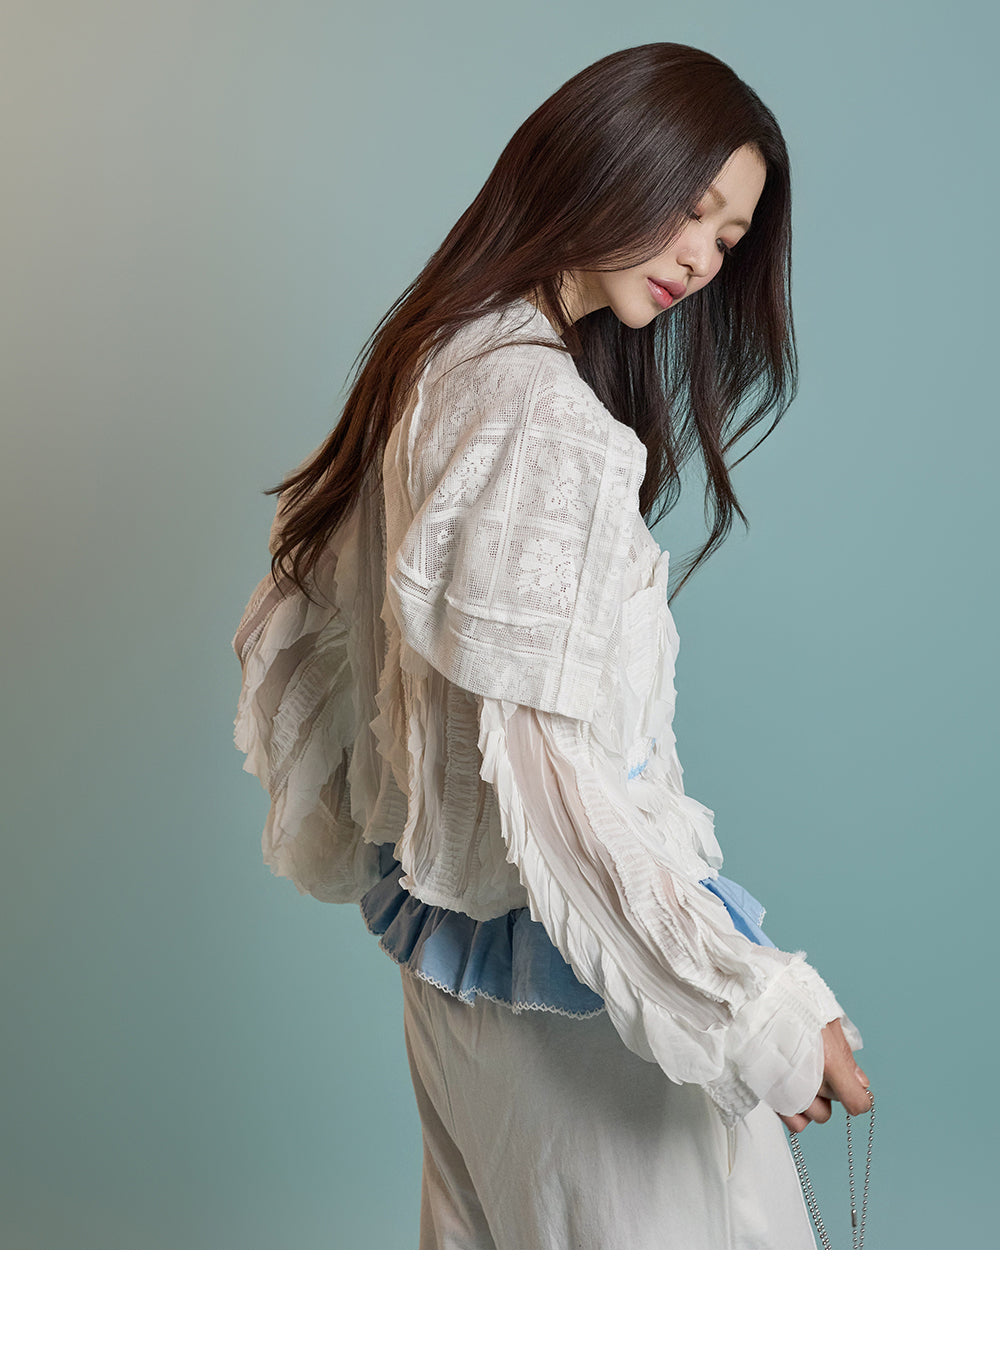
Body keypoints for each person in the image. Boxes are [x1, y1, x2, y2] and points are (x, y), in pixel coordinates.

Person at [231, 41, 873, 1249]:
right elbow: (555, 789)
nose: (703, 257)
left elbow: (352, 658)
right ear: (602, 163)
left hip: (462, 964)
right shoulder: (538, 416)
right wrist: (763, 1012)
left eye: (729, 237)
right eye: (691, 209)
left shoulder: (441, 359)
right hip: (582, 986)